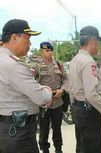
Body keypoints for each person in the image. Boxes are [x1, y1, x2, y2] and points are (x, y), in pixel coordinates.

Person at [0, 19, 52, 153]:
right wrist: (47, 90)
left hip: (7, 129)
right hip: (19, 133)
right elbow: (41, 98)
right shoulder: (13, 64)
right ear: (14, 38)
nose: (30, 44)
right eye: (27, 38)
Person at [68, 26, 101, 153]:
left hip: (78, 109)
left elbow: (71, 89)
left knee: (82, 146)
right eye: (98, 43)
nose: (98, 46)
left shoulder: (75, 60)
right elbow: (91, 95)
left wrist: (75, 108)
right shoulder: (88, 62)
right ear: (92, 42)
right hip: (88, 113)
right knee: (92, 147)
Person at [30, 42, 68, 153]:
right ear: (41, 51)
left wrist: (62, 90)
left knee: (57, 128)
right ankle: (45, 149)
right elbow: (31, 82)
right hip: (44, 103)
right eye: (47, 51)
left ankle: (58, 148)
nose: (50, 52)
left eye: (51, 50)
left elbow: (66, 79)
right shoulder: (35, 65)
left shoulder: (58, 64)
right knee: (44, 129)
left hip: (57, 102)